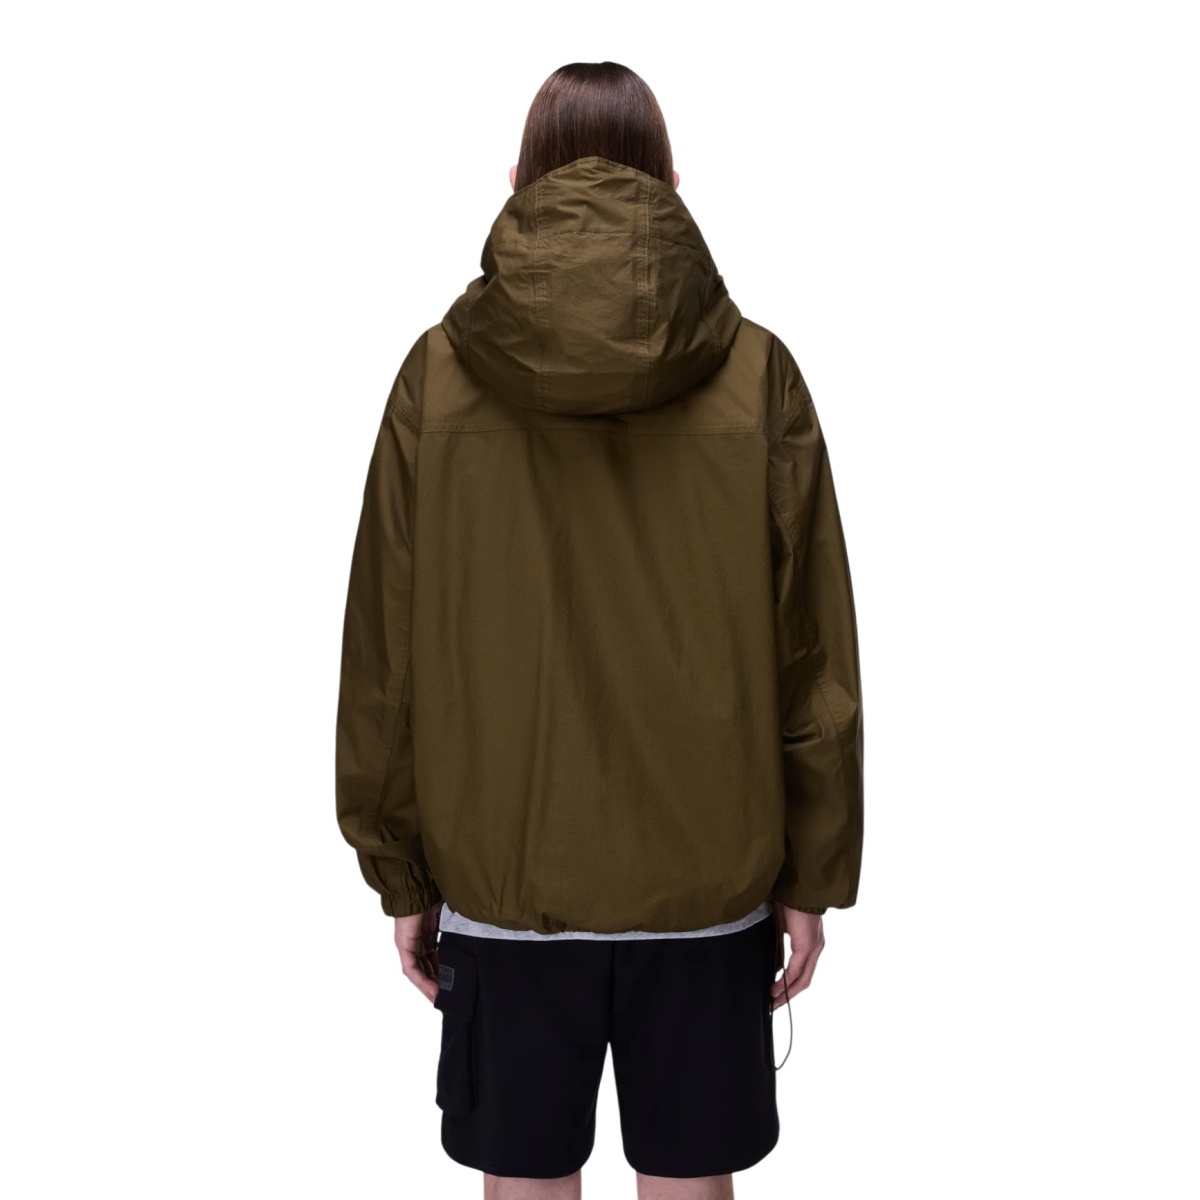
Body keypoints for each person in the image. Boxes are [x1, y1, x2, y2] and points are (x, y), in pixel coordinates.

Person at [335, 61, 864, 1200]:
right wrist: (813, 873)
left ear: (517, 181)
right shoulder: (757, 373)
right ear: (670, 183)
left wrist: (400, 872)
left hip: (505, 880)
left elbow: (385, 655)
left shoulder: (437, 378)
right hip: (708, 890)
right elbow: (812, 652)